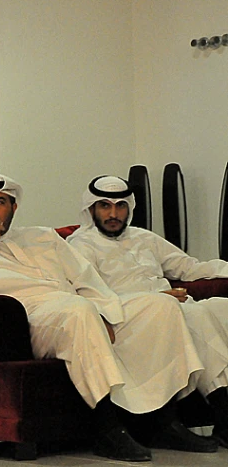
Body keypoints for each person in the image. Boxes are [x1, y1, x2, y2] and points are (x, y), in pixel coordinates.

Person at [0, 171, 215, 462]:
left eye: (0, 201)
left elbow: (87, 280)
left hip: (78, 307)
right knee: (78, 311)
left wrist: (106, 313)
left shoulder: (41, 237)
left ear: (13, 207)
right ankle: (106, 428)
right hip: (33, 320)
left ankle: (165, 422)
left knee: (159, 307)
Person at [68, 174, 228, 446]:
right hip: (125, 316)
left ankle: (223, 415)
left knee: (216, 308)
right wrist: (158, 297)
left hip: (168, 307)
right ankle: (204, 415)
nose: (113, 214)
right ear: (92, 209)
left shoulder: (144, 238)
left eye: (120, 206)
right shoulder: (80, 244)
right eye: (105, 206)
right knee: (183, 312)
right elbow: (91, 293)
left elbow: (189, 267)